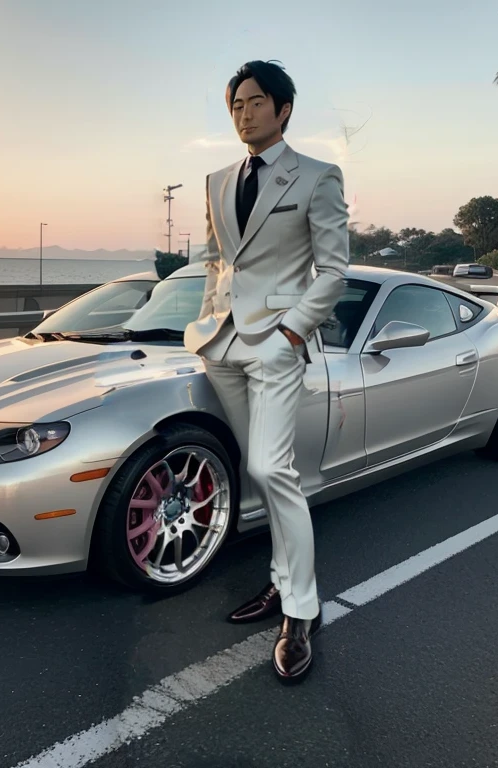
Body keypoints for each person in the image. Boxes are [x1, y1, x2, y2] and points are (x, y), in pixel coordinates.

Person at [184, 59, 350, 683]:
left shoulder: (316, 177)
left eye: (255, 102)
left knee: (271, 469)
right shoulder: (215, 180)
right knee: (263, 477)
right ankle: (281, 585)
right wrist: (205, 328)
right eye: (235, 105)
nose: (243, 113)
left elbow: (333, 271)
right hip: (222, 345)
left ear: (283, 110)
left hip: (277, 342)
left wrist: (290, 333)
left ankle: (301, 611)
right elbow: (212, 262)